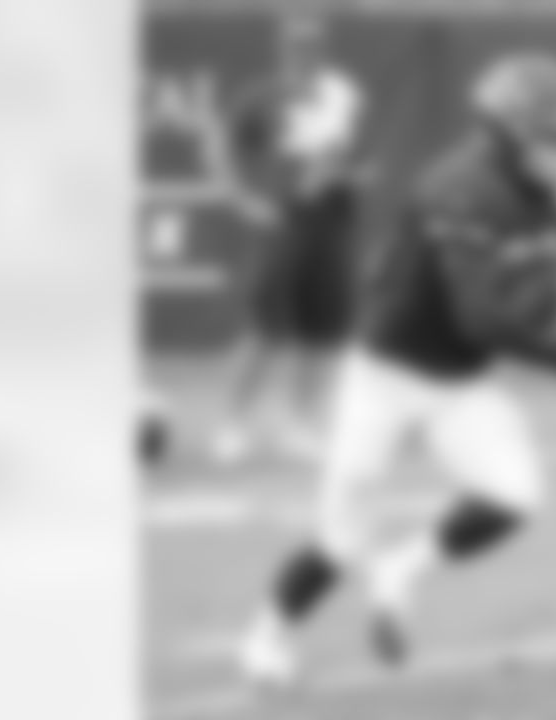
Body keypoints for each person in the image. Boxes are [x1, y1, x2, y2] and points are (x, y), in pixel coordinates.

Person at [238, 50, 556, 686]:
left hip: (459, 382)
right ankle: (267, 635)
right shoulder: (463, 190)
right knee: (340, 540)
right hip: (385, 377)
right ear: (511, 137)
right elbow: (481, 319)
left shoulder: (539, 182)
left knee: (514, 496)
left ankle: (400, 570)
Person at [210, 13, 367, 463]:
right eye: (296, 47)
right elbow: (222, 147)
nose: (304, 54)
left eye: (312, 47)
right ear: (282, 50)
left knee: (324, 333)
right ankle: (232, 424)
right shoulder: (261, 99)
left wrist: (343, 174)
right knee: (266, 331)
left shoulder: (341, 96)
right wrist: (243, 201)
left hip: (334, 224)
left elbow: (345, 158)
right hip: (285, 224)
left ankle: (300, 425)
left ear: (322, 50)